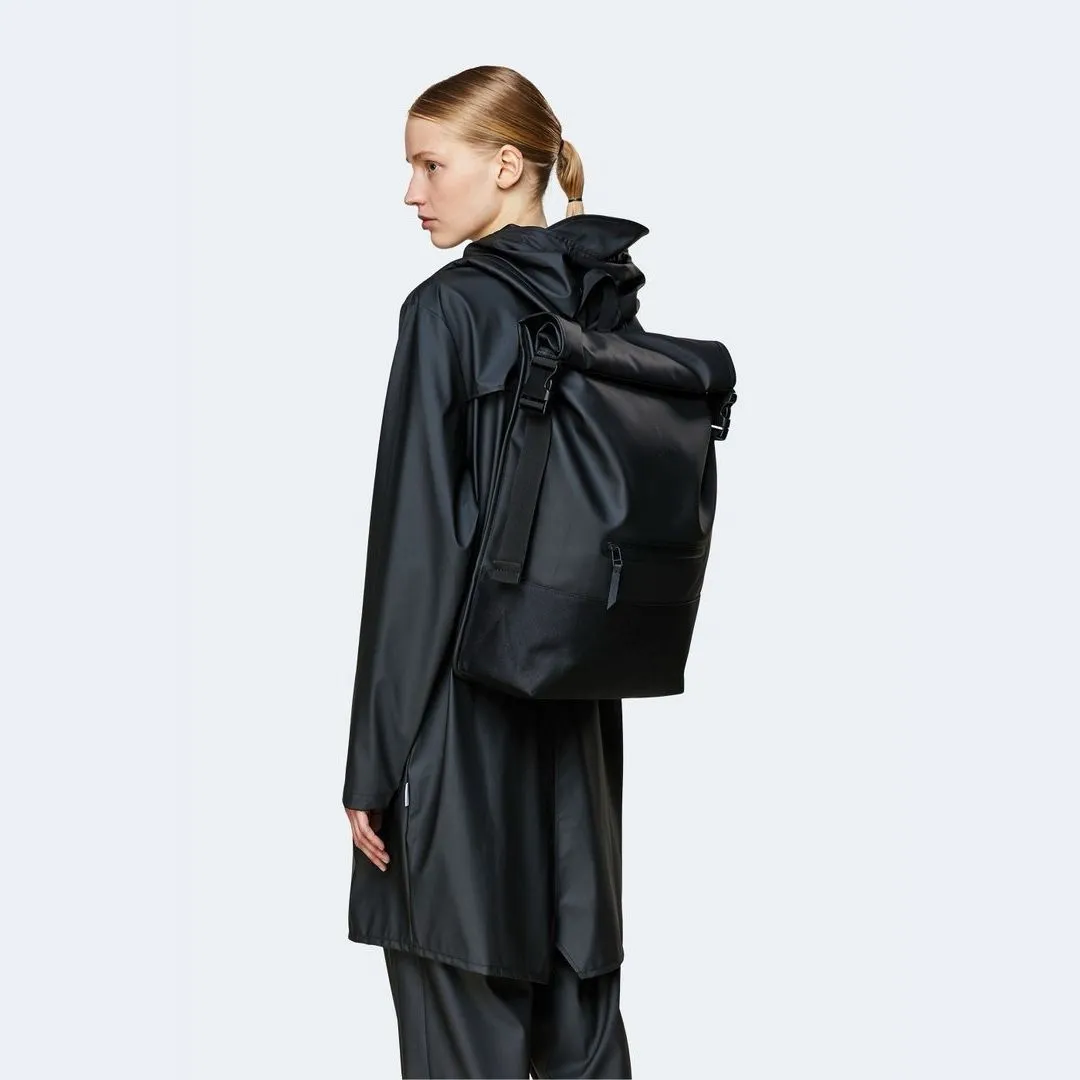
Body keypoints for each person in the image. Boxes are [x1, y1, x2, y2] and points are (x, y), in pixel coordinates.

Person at [342, 64, 648, 1079]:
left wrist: (374, 765)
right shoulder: (608, 308)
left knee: (458, 1043)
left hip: (456, 746)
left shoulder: (449, 312)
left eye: (431, 165)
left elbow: (417, 556)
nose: (412, 192)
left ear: (507, 165)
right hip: (577, 750)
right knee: (584, 1049)